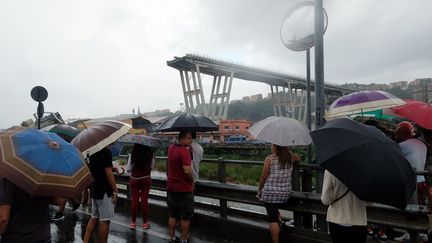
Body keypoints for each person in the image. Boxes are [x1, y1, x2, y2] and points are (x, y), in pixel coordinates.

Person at [257, 144, 299, 243]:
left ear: (275, 147)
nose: (271, 147)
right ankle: (281, 223)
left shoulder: (269, 158)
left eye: (272, 145)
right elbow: (299, 158)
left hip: (270, 193)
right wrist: (288, 153)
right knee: (274, 210)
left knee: (272, 219)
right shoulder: (290, 157)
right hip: (285, 194)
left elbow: (264, 177)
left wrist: (259, 190)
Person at [393, 122, 428, 242]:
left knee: (410, 209)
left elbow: (395, 161)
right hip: (422, 180)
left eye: (397, 134)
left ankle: (409, 233)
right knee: (421, 208)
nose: (395, 137)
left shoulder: (403, 146)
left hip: (411, 182)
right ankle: (422, 233)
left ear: (404, 134)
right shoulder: (422, 144)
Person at [0, 177, 52, 243]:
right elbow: (58, 200)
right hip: (43, 236)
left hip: (17, 238)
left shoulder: (9, 177)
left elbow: (3, 219)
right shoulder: (45, 177)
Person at [321, 170, 367, 243]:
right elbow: (370, 201)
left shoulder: (331, 168)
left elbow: (325, 200)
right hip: (359, 220)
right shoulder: (365, 170)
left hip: (337, 219)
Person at [83, 147, 118, 243]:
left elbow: (94, 168)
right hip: (105, 191)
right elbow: (108, 173)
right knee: (105, 221)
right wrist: (115, 190)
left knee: (94, 217)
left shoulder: (91, 151)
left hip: (95, 189)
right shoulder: (106, 151)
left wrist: (112, 168)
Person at [167, 131, 194, 243]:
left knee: (172, 215)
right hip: (183, 188)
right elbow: (187, 170)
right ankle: (184, 239)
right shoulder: (184, 151)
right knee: (185, 216)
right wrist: (192, 181)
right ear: (182, 139)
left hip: (171, 186)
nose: (190, 140)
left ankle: (172, 237)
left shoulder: (171, 148)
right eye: (188, 138)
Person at [126, 144, 154, 229]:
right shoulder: (151, 154)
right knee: (144, 200)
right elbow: (152, 167)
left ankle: (133, 223)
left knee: (135, 200)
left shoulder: (133, 154)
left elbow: (128, 169)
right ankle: (145, 223)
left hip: (134, 179)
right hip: (146, 178)